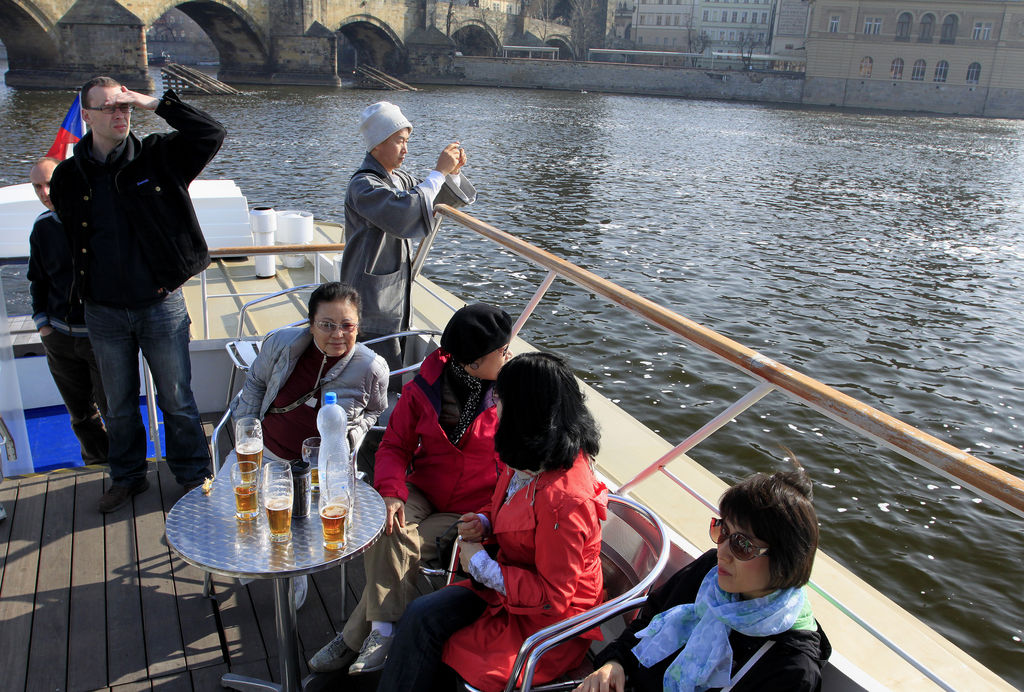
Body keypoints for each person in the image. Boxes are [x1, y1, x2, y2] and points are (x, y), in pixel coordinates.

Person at [376, 351, 608, 692]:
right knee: (420, 616)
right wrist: (485, 521)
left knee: (445, 647)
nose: (494, 405)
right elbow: (514, 508)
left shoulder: (566, 501)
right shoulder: (533, 456)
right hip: (505, 592)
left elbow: (554, 597)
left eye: (501, 398)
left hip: (548, 625)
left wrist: (481, 565)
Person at [49, 76, 225, 512]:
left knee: (177, 399)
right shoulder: (70, 176)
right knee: (120, 405)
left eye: (124, 106)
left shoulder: (160, 157)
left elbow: (211, 133)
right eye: (109, 107)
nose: (120, 113)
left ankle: (194, 475)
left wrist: (153, 102)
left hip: (160, 302)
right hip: (104, 310)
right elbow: (69, 242)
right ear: (86, 116)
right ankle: (127, 477)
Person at [309, 302, 512, 675]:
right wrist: (390, 491)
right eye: (501, 351)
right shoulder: (426, 387)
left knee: (401, 542)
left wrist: (488, 517)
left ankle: (359, 636)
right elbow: (394, 446)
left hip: (471, 509)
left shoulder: (510, 396)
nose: (508, 355)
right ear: (473, 361)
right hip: (421, 489)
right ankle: (384, 630)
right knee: (384, 523)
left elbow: (517, 466)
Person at [574, 467, 831, 692]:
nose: (723, 552)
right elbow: (647, 621)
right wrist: (614, 664)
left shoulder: (791, 668)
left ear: (784, 561)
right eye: (724, 531)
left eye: (742, 545)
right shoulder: (711, 573)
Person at [340, 101, 477, 375]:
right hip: (368, 292)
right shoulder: (364, 185)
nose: (406, 148)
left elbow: (433, 197)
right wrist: (438, 173)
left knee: (389, 356)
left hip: (391, 288)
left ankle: (386, 408)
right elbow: (406, 212)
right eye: (399, 141)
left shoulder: (398, 178)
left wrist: (452, 173)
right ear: (377, 144)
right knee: (371, 362)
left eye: (407, 141)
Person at [230, 282, 389, 460]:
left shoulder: (372, 368)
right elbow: (256, 382)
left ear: (357, 327)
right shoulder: (281, 344)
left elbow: (375, 410)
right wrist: (248, 435)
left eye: (347, 325)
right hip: (264, 451)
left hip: (323, 465)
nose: (337, 334)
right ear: (311, 325)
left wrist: (351, 438)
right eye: (327, 325)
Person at [26, 156, 109, 465]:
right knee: (80, 414)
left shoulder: (97, 220)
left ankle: (128, 470)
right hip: (59, 336)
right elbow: (38, 278)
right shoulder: (43, 227)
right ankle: (97, 466)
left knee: (115, 408)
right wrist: (42, 324)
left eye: (49, 183)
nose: (44, 192)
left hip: (100, 335)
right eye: (37, 186)